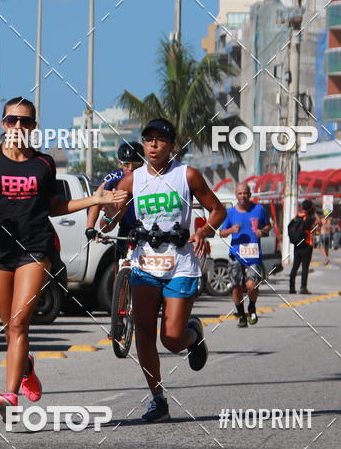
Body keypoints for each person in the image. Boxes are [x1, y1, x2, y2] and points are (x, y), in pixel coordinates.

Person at [0, 96, 127, 422]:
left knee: (20, 322)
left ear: (34, 127)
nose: (18, 126)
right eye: (12, 120)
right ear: (2, 125)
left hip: (34, 249)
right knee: (9, 325)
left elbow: (53, 207)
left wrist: (94, 198)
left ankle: (9, 396)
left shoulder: (44, 164)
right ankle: (26, 367)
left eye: (25, 121)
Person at [110, 118, 226, 422]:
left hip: (181, 265)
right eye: (148, 139)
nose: (153, 145)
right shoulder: (133, 179)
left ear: (172, 146)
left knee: (171, 340)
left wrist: (203, 231)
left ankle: (192, 335)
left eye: (160, 140)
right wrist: (105, 210)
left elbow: (218, 209)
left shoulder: (187, 175)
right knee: (144, 335)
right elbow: (111, 215)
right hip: (145, 264)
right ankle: (158, 399)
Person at [219, 182, 271, 327]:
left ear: (250, 194)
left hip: (253, 256)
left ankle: (252, 307)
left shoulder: (259, 209)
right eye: (240, 193)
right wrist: (231, 230)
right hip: (236, 255)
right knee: (236, 287)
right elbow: (221, 233)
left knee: (252, 285)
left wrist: (263, 231)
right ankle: (241, 314)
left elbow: (268, 225)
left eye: (245, 193)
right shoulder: (230, 213)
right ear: (236, 195)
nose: (243, 196)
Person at [85, 141, 145, 266]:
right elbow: (96, 201)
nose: (131, 168)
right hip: (126, 227)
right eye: (126, 164)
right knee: (120, 267)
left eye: (135, 164)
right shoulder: (113, 177)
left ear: (143, 163)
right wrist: (90, 227)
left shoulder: (149, 177)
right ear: (119, 164)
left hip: (146, 227)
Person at [289, 199, 316, 295]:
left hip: (297, 245)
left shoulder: (296, 217)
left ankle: (291, 288)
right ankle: (303, 288)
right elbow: (319, 223)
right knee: (305, 268)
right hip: (306, 245)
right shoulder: (309, 218)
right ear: (310, 208)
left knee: (294, 267)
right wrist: (314, 212)